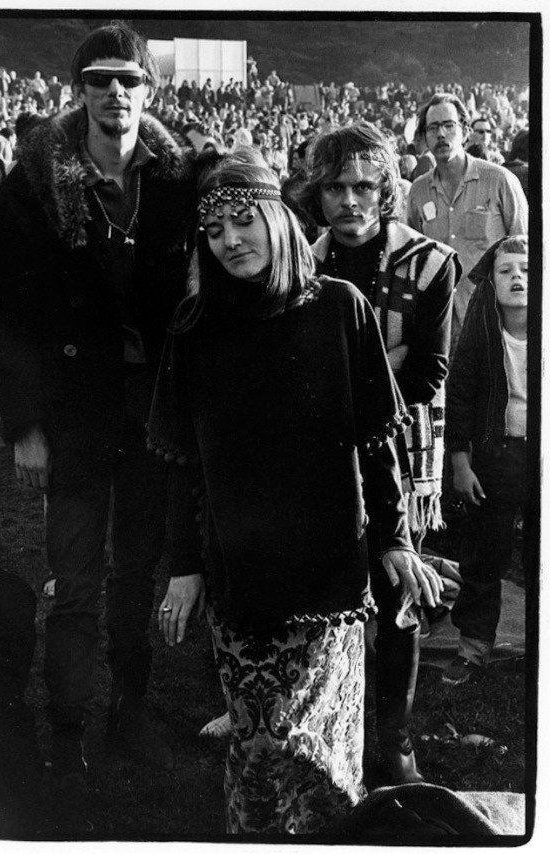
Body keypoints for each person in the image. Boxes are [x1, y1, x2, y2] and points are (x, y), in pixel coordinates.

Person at [147, 147, 443, 834]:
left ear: (278, 221)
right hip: (240, 576)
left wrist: (396, 539)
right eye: (213, 231)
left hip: (328, 577)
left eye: (243, 222)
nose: (229, 241)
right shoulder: (194, 328)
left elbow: (377, 442)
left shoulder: (340, 308)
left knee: (321, 764)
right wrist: (186, 565)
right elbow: (181, 464)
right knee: (258, 760)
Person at [0, 22, 194, 792]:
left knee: (135, 573)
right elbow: (7, 313)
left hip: (150, 410)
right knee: (74, 580)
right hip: (73, 410)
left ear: (149, 89)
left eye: (128, 79)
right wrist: (24, 428)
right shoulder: (34, 181)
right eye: (99, 79)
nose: (114, 92)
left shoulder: (177, 176)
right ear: (77, 90)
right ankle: (69, 728)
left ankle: (129, 715)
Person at [300, 122, 458, 784]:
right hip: (314, 454)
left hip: (397, 449)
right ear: (318, 193)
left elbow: (428, 371)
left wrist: (351, 382)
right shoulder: (299, 263)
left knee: (398, 595)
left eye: (365, 186)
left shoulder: (431, 262)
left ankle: (393, 741)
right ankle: (313, 724)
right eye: (336, 186)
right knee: (316, 588)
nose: (350, 200)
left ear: (387, 190)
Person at [442, 235, 529, 685]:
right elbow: (459, 395)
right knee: (483, 553)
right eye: (506, 270)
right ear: (491, 281)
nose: (517, 278)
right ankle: (473, 648)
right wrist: (461, 462)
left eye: (527, 270)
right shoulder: (483, 329)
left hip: (540, 457)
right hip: (497, 455)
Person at [407, 93, 528, 350]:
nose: (441, 134)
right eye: (433, 128)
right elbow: (413, 258)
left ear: (464, 130)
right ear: (425, 136)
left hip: (492, 323)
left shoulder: (500, 181)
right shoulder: (418, 191)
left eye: (449, 125)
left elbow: (526, 250)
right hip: (440, 326)